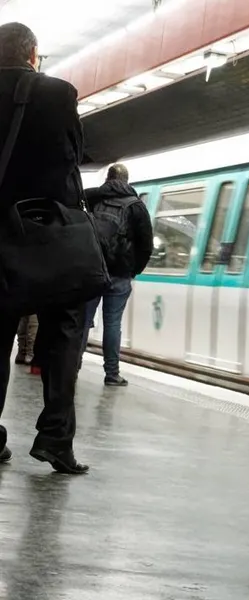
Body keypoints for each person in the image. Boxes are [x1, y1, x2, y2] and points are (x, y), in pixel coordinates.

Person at [0, 22, 90, 474]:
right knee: (63, 339)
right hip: (50, 235)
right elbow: (69, 161)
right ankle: (55, 440)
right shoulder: (59, 94)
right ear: (33, 54)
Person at [80, 163, 153, 386]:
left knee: (83, 321)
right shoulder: (136, 206)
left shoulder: (92, 199)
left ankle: (72, 366)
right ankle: (112, 374)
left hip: (94, 270)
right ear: (127, 181)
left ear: (108, 179)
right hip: (120, 274)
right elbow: (146, 245)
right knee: (112, 324)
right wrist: (133, 270)